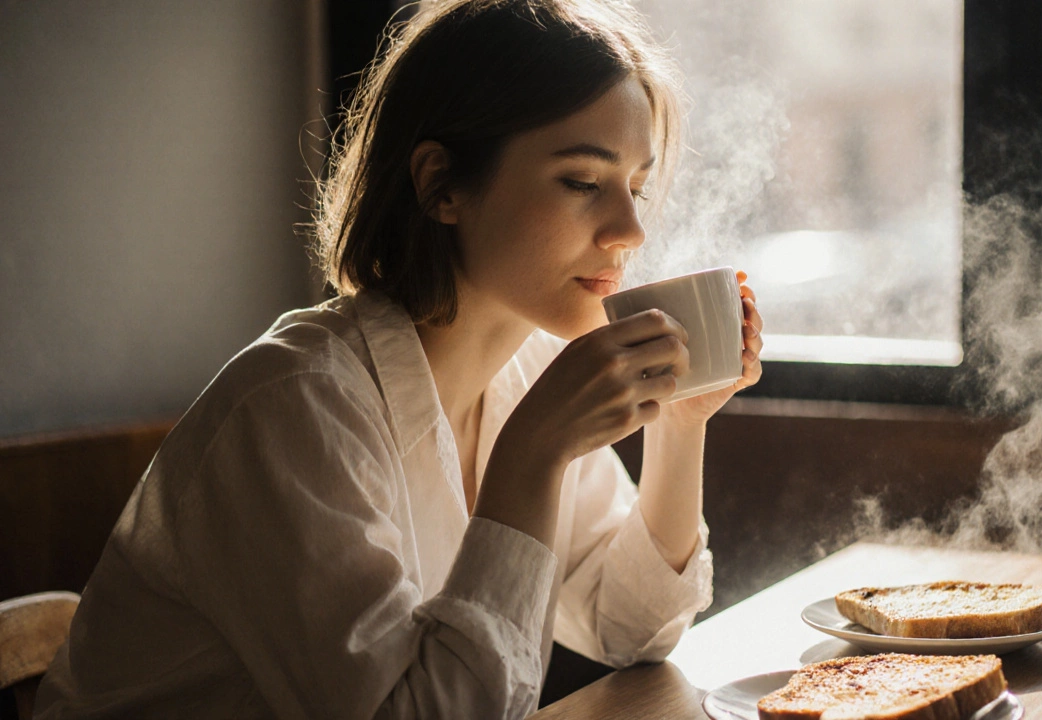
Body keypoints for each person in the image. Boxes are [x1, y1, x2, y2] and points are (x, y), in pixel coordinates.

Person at [34, 0, 764, 718]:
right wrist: (530, 458)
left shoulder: (528, 373)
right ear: (439, 183)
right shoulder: (296, 406)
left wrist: (681, 420)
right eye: (582, 182)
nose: (631, 229)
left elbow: (628, 628)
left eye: (637, 187)